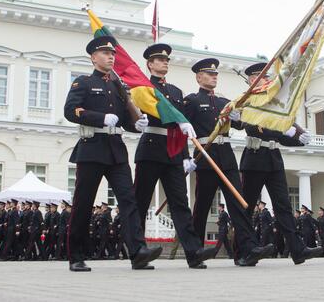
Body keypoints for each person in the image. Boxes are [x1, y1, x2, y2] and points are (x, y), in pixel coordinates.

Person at [64, 35, 162, 272]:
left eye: (113, 54)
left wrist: (135, 125)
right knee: (83, 204)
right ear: (94, 57)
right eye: (106, 53)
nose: (111, 57)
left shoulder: (118, 88)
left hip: (116, 151)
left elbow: (124, 119)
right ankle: (76, 255)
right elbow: (70, 110)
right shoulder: (84, 82)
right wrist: (98, 118)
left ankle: (138, 252)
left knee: (129, 202)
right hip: (91, 148)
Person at [131, 44, 218, 269]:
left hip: (173, 152)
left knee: (180, 204)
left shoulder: (177, 91)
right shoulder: (142, 87)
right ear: (150, 64)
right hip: (150, 148)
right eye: (160, 60)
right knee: (140, 202)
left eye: (167, 60)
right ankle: (137, 251)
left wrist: (186, 156)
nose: (165, 62)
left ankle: (193, 252)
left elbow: (183, 128)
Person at [182, 57, 274, 266]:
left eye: (216, 74)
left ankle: (247, 249)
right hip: (206, 158)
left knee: (238, 205)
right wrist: (185, 157)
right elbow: (183, 129)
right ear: (199, 77)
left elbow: (240, 125)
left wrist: (236, 116)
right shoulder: (192, 101)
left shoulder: (225, 102)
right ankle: (195, 253)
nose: (214, 77)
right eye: (209, 74)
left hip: (227, 157)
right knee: (202, 206)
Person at [238, 63, 322, 264]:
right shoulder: (248, 101)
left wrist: (297, 138)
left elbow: (281, 135)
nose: (265, 80)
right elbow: (247, 125)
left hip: (274, 159)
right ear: (251, 80)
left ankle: (297, 250)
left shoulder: (276, 104)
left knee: (283, 206)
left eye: (266, 77)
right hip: (254, 158)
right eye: (259, 77)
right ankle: (244, 251)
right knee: (246, 208)